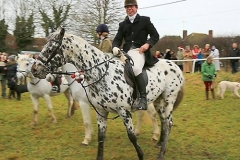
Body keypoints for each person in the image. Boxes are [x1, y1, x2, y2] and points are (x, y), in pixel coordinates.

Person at [112, 0, 159, 110]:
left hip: (140, 51)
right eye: (127, 7)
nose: (129, 8)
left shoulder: (145, 20)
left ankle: (143, 99)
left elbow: (155, 35)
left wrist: (147, 44)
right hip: (126, 52)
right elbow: (117, 39)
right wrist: (115, 47)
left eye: (131, 6)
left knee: (136, 69)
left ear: (136, 7)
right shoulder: (123, 24)